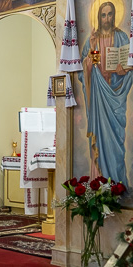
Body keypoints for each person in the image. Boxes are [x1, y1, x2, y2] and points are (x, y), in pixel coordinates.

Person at [78, 1, 133, 185]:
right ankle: (100, 184)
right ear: (98, 17)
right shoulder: (92, 40)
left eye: (110, 14)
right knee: (99, 142)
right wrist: (92, 55)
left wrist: (124, 70)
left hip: (115, 98)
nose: (107, 18)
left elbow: (130, 66)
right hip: (98, 99)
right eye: (103, 15)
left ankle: (118, 184)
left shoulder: (123, 38)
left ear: (115, 15)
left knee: (117, 145)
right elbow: (87, 68)